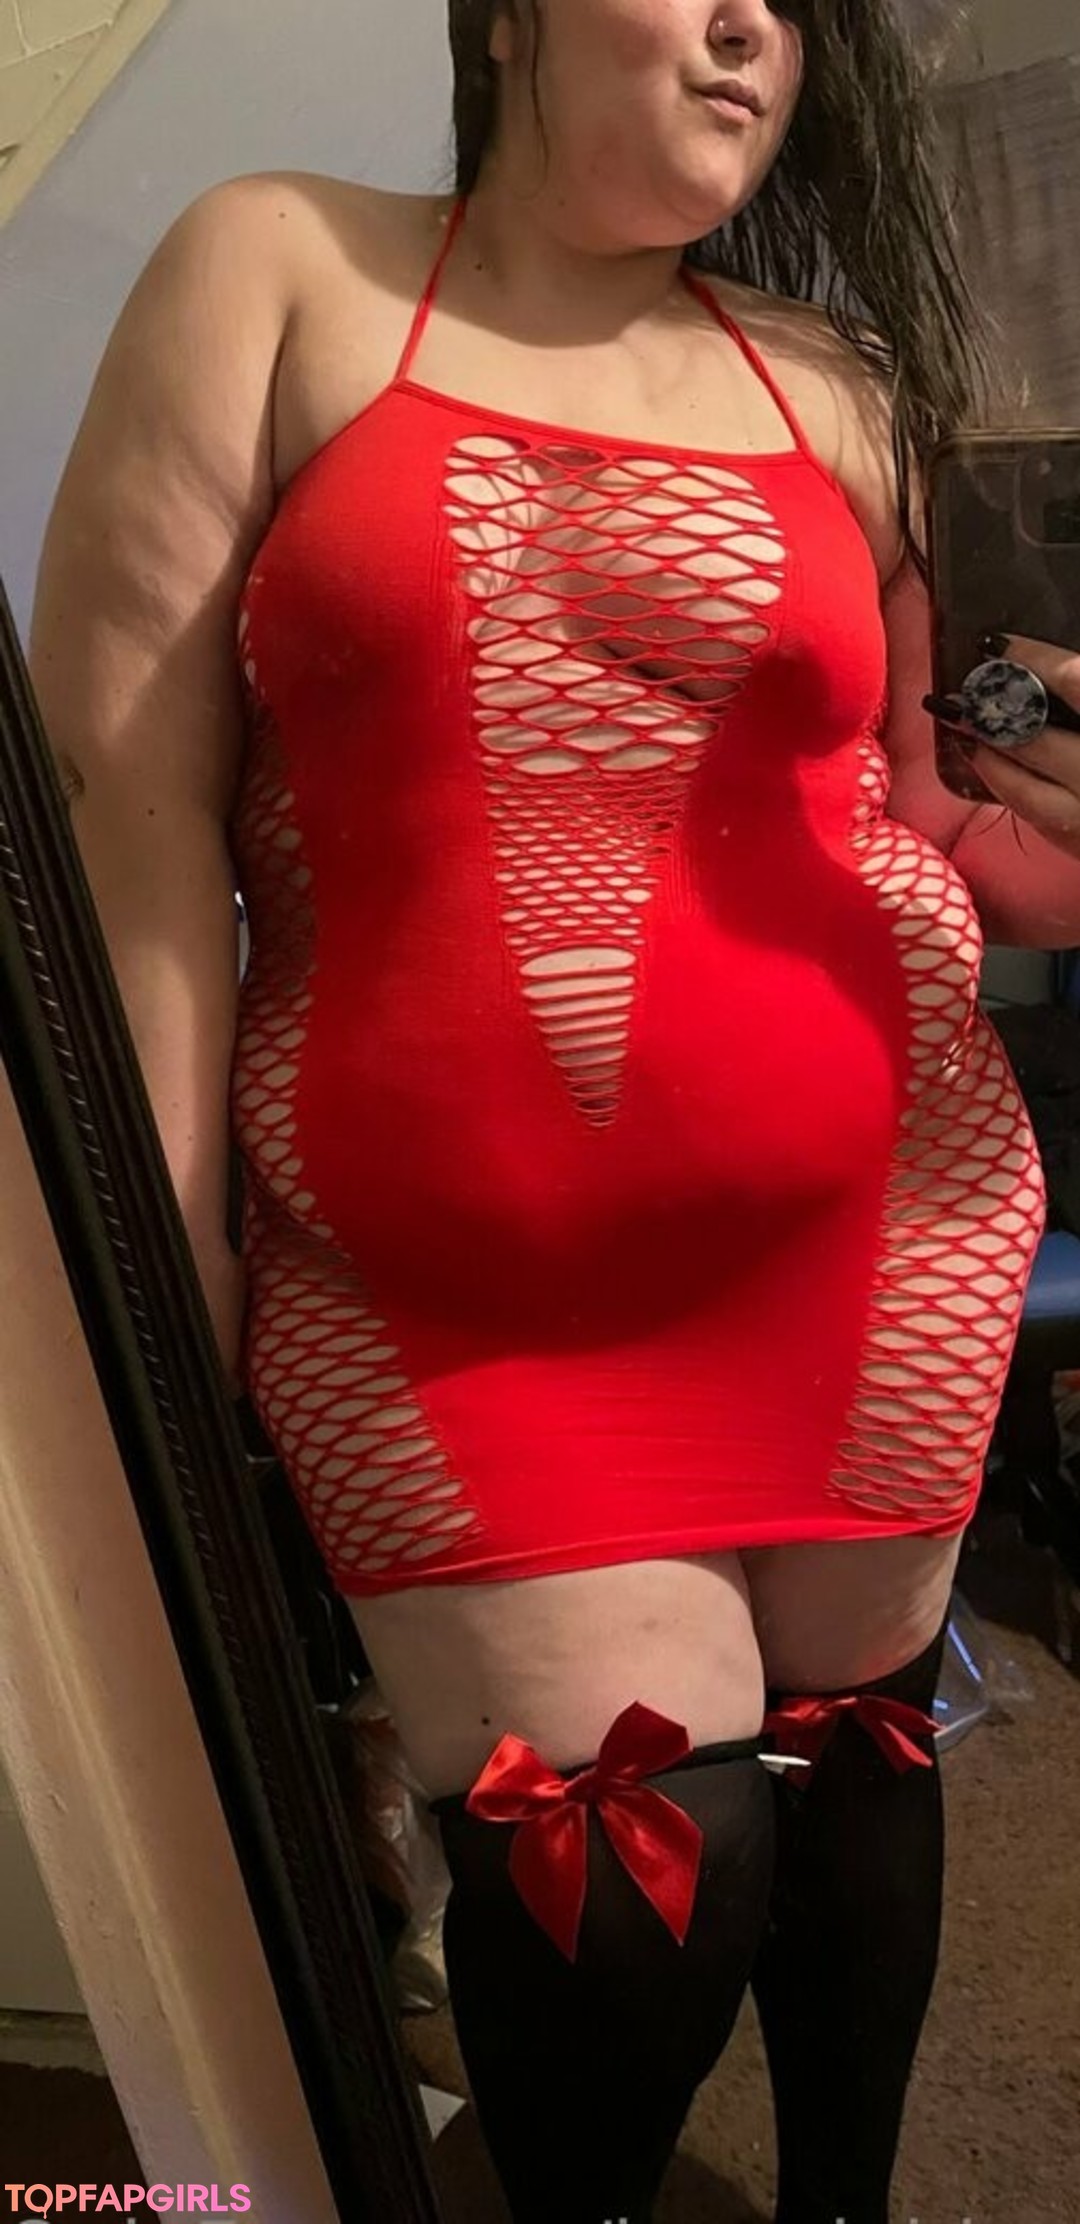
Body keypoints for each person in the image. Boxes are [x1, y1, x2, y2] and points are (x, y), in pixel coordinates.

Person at [27, 3, 1080, 2219]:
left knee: (860, 1770)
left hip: (882, 1224)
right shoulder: (279, 268)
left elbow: (907, 809)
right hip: (443, 1289)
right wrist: (166, 1241)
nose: (753, 27)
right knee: (637, 1870)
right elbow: (131, 814)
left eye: (792, 3)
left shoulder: (834, 385)